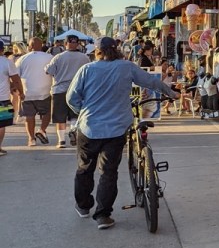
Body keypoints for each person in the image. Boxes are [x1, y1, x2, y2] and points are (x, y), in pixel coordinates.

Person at [66, 37, 177, 229]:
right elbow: (151, 81)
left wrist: (83, 112)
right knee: (108, 172)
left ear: (97, 52)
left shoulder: (87, 69)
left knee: (85, 169)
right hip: (116, 128)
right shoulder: (126, 67)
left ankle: (83, 207)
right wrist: (171, 93)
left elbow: (71, 98)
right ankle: (103, 216)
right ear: (116, 50)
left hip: (89, 127)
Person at [44, 35, 91, 148]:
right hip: (78, 90)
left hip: (59, 90)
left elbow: (49, 71)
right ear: (78, 44)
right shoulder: (84, 58)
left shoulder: (58, 57)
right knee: (75, 115)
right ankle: (73, 131)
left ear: (65, 44)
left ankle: (61, 141)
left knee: (60, 117)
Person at [16, 37, 54, 146]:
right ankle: (42, 130)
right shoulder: (50, 57)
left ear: (30, 46)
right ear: (41, 45)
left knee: (29, 116)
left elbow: (16, 76)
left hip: (28, 91)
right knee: (46, 113)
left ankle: (31, 139)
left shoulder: (22, 59)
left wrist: (18, 91)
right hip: (45, 91)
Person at [0, 49, 24, 155]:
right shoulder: (7, 62)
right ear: (2, 50)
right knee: (1, 125)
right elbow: (16, 79)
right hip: (3, 99)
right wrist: (21, 92)